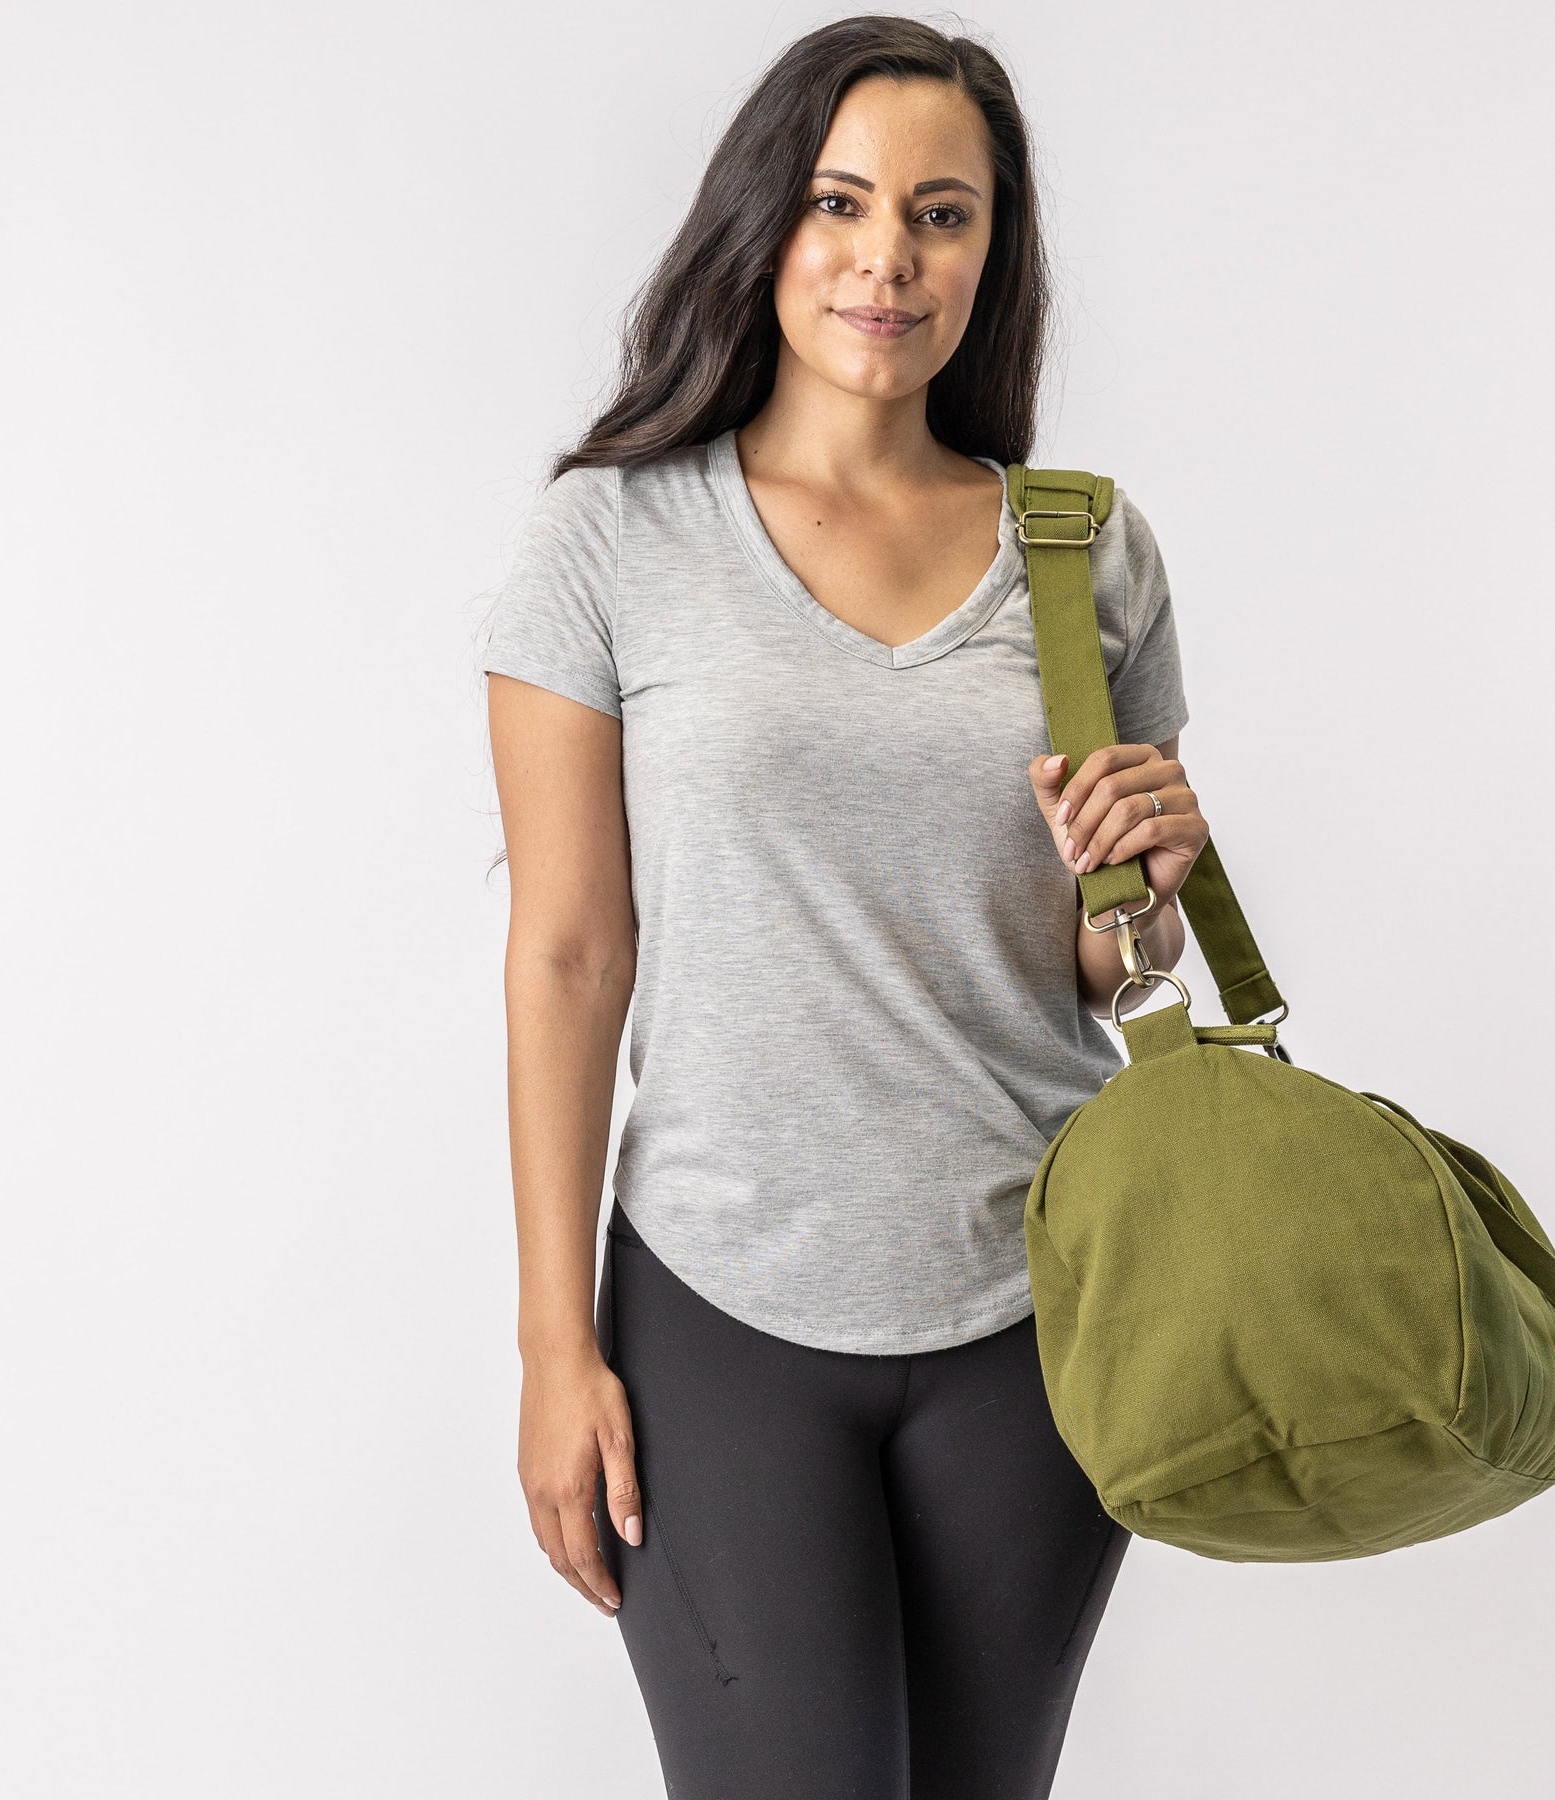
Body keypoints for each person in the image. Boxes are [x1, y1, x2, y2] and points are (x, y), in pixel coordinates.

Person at [480, 16, 1206, 1797]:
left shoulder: (1081, 548)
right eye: (841, 202)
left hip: (1039, 1310)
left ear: (992, 253)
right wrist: (555, 1342)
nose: (890, 257)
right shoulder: (612, 542)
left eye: (943, 215)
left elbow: (1096, 967)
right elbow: (570, 953)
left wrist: (1151, 888)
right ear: (767, 221)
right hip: (720, 1313)